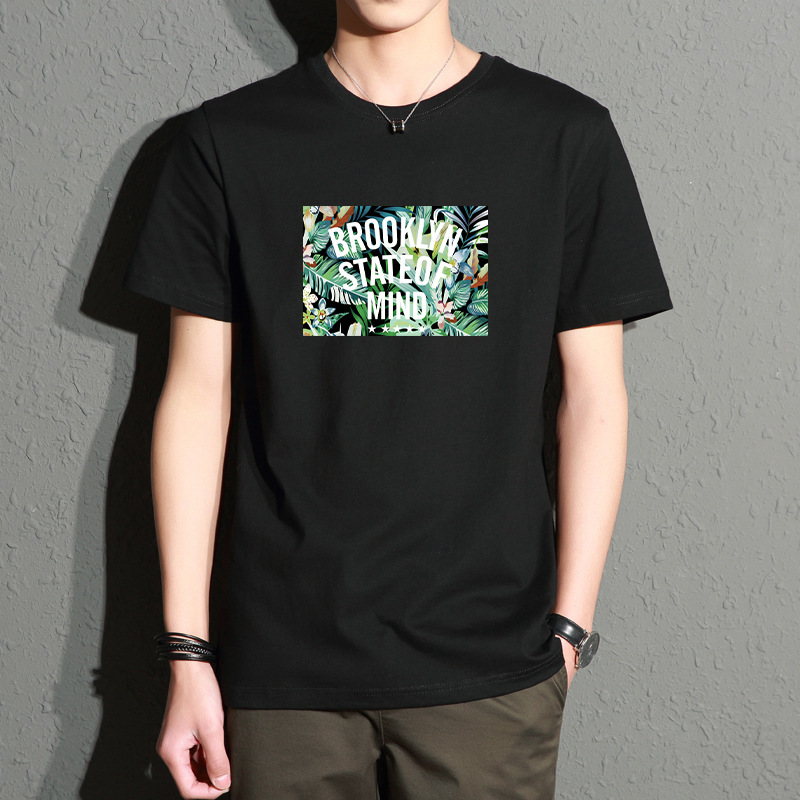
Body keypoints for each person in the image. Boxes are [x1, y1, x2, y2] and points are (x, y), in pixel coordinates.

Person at [123, 0, 674, 797]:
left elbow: (595, 397)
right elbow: (195, 399)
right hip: (281, 675)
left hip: (491, 670)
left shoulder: (562, 136)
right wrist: (187, 652)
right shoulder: (228, 141)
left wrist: (568, 628)